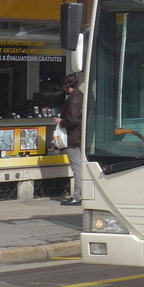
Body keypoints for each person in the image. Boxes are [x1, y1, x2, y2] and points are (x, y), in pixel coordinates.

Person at [57, 72, 84, 206]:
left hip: (73, 137)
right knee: (80, 166)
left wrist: (60, 121)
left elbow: (72, 119)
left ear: (66, 85)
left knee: (76, 167)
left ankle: (78, 197)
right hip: (80, 136)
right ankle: (80, 195)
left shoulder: (73, 98)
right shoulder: (80, 95)